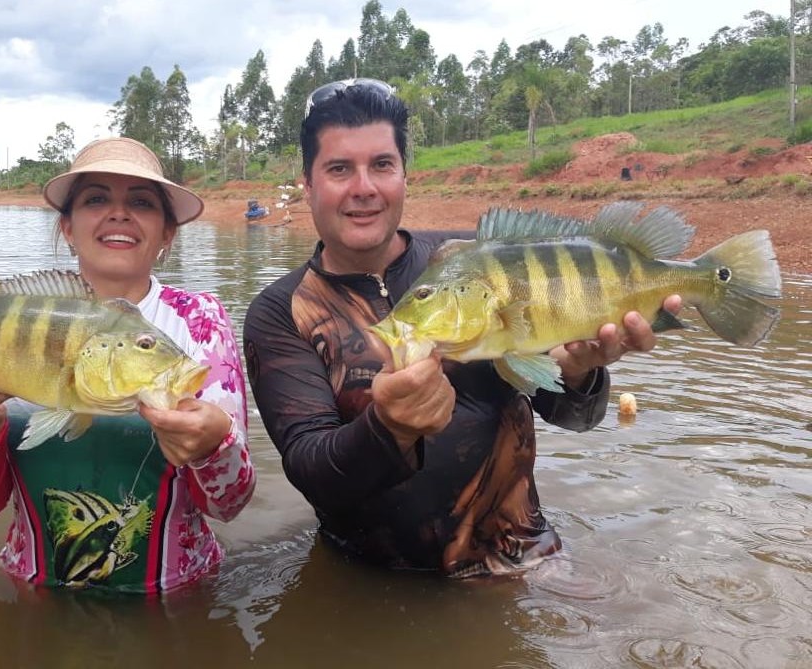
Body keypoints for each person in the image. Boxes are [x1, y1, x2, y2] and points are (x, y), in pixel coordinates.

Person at [242, 78, 680, 577]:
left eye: (382, 165)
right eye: (339, 169)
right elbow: (310, 470)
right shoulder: (280, 312)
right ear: (309, 184)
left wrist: (581, 375)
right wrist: (389, 428)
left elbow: (575, 418)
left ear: (405, 175)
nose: (363, 188)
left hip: (524, 561)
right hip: (373, 581)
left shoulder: (469, 261)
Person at [0, 137, 255, 595]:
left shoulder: (198, 322)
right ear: (67, 226)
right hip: (36, 598)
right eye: (96, 198)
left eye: (141, 202)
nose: (119, 213)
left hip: (176, 596)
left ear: (167, 232)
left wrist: (214, 444)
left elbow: (231, 504)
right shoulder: (17, 320)